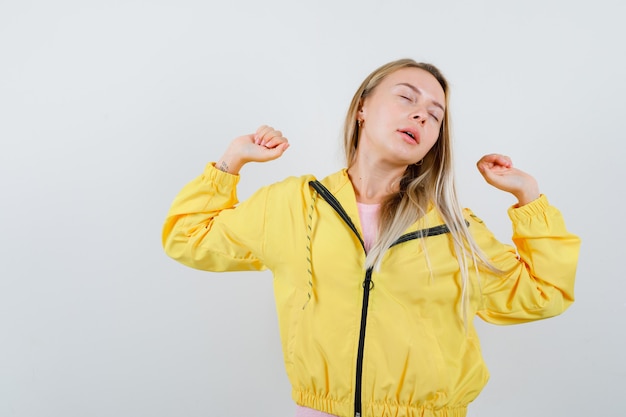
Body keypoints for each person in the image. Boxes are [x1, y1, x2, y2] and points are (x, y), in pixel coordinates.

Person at [162, 58, 580, 417]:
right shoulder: (292, 205)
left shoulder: (454, 229)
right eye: (407, 97)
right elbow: (186, 237)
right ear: (362, 107)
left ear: (434, 141)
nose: (422, 115)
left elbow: (544, 291)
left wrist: (529, 197)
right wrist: (230, 162)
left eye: (435, 115)